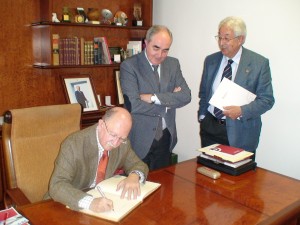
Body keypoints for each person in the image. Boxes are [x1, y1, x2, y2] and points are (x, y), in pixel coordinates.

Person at [198, 16, 275, 158]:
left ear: (241, 39)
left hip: (241, 132)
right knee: (209, 175)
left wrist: (242, 110)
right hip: (211, 128)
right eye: (219, 37)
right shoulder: (211, 60)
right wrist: (203, 117)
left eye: (227, 38)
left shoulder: (259, 63)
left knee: (237, 179)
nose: (221, 43)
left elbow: (267, 100)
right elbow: (204, 92)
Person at [46, 107, 149, 213]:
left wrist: (134, 176)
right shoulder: (73, 144)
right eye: (113, 135)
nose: (115, 143)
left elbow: (138, 164)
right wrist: (90, 202)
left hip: (101, 203)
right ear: (101, 125)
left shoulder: (123, 144)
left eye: (122, 138)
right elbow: (57, 185)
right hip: (66, 204)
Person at [120, 25, 191, 170]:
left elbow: (186, 96)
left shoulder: (173, 64)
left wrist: (153, 98)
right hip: (139, 138)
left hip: (165, 136)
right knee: (138, 186)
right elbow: (133, 105)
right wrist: (169, 102)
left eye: (165, 50)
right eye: (156, 48)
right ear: (146, 43)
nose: (160, 55)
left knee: (163, 186)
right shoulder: (130, 66)